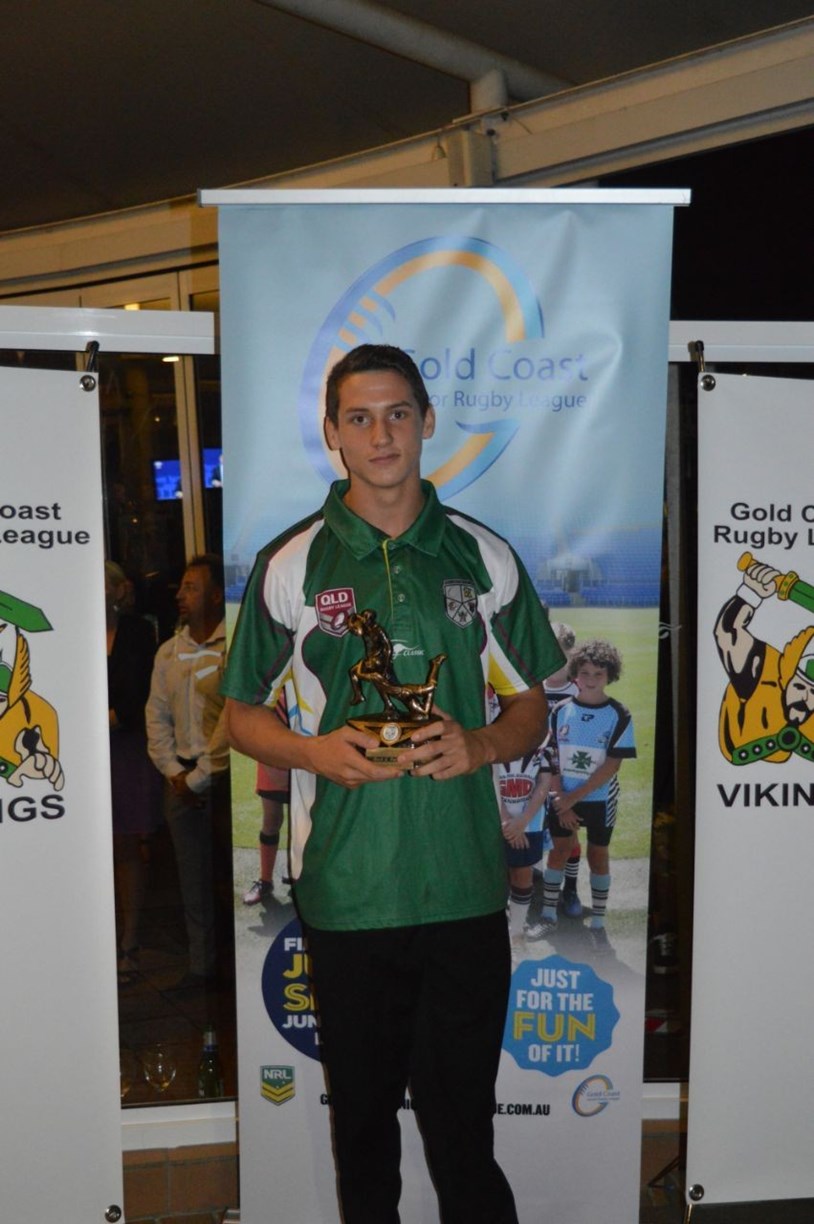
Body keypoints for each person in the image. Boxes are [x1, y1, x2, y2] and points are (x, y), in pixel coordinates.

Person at [222, 344, 563, 1224]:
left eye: (398, 414)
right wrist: (313, 753)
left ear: (427, 422)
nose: (381, 435)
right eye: (360, 418)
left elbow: (531, 704)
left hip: (463, 889)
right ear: (333, 432)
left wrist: (482, 743)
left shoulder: (482, 555)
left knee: (465, 1139)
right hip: (349, 892)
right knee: (365, 1139)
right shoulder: (291, 564)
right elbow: (241, 715)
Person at [145, 554, 231, 988]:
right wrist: (174, 773)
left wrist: (198, 779)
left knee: (235, 876)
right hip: (180, 778)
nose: (180, 595)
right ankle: (202, 968)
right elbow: (156, 717)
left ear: (216, 596)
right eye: (181, 587)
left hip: (228, 779)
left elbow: (233, 722)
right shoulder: (169, 651)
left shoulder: (233, 646)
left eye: (191, 588)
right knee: (191, 879)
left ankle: (237, 968)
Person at [533, 638, 636, 955]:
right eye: (585, 672)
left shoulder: (619, 714)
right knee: (559, 852)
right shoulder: (560, 711)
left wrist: (572, 798)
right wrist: (561, 798)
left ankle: (599, 923)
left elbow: (612, 765)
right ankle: (549, 915)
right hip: (563, 796)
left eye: (598, 674)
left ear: (610, 676)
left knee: (597, 856)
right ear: (575, 673)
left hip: (599, 800)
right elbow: (551, 758)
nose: (591, 679)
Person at [105, 561, 162, 982]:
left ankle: (129, 941)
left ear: (119, 590)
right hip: (82, 749)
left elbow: (142, 690)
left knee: (126, 845)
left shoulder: (140, 631)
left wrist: (110, 716)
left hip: (126, 747)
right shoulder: (72, 632)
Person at [715, 556, 814, 764]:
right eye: (799, 686)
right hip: (735, 772)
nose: (805, 697)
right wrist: (750, 593)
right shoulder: (764, 671)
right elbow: (728, 633)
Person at [542, 621, 583, 918]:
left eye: (561, 652)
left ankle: (570, 889)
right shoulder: (531, 686)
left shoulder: (579, 690)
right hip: (533, 773)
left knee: (568, 835)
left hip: (565, 775)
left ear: (571, 653)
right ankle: (527, 886)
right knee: (529, 829)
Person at [243, 695, 290, 906]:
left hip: (304, 757)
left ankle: (297, 871)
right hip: (270, 756)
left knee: (303, 823)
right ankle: (265, 881)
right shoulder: (268, 684)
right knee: (271, 821)